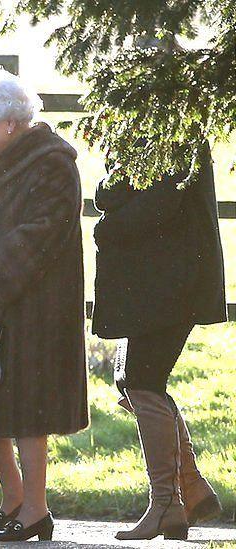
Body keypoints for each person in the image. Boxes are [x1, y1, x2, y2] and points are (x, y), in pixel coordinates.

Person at [0, 69, 88, 542]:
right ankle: (13, 498)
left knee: (29, 409)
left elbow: (46, 228)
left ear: (9, 123)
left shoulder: (53, 163)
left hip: (36, 307)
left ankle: (37, 509)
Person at [92, 142, 226, 540]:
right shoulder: (141, 125)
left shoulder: (170, 125)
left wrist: (107, 227)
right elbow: (110, 191)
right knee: (136, 381)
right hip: (155, 283)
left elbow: (159, 204)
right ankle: (190, 489)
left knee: (142, 382)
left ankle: (168, 501)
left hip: (172, 282)